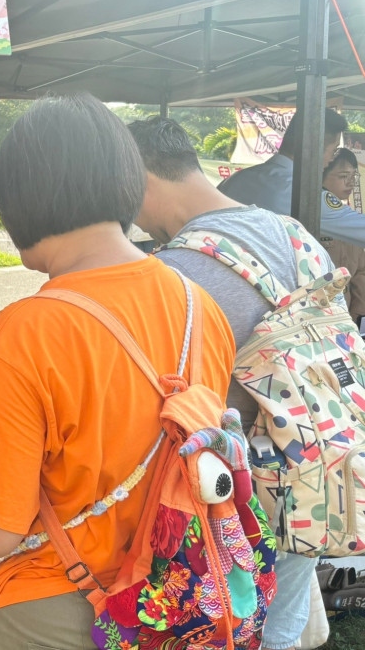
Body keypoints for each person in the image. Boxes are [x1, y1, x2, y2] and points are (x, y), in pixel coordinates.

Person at [0, 95, 237, 649]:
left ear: (22, 200)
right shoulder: (199, 306)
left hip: (59, 609)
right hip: (174, 595)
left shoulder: (29, 330)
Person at [129, 115, 334, 650]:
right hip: (314, 478)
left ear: (138, 180)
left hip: (234, 499)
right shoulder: (294, 234)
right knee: (280, 632)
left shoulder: (175, 274)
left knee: (220, 629)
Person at [219, 108, 359, 241]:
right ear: (314, 148)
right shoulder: (304, 193)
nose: (331, 159)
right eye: (333, 151)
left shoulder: (233, 181)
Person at [320, 147, 365, 328]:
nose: (351, 183)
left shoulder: (350, 220)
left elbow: (361, 273)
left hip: (346, 316)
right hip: (318, 315)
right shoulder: (309, 215)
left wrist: (356, 315)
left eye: (354, 176)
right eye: (343, 176)